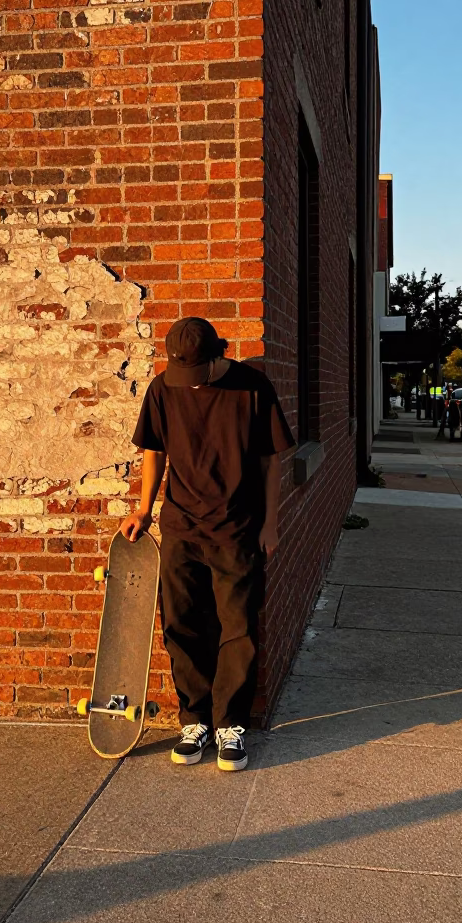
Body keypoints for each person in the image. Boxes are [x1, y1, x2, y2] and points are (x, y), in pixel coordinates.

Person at [120, 317, 295, 772]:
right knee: (182, 625)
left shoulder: (252, 388)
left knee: (237, 629)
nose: (191, 386)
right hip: (180, 527)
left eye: (197, 375)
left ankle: (230, 724)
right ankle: (194, 719)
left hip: (237, 530)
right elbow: (153, 450)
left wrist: (270, 523)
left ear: (219, 355)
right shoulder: (163, 389)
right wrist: (143, 508)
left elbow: (269, 461)